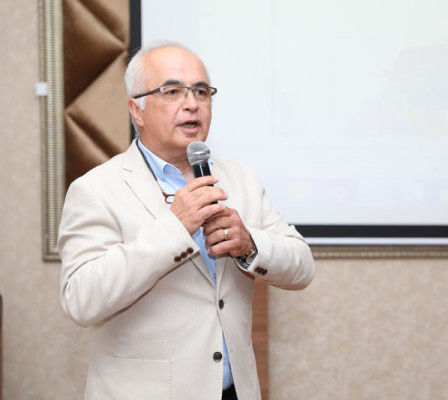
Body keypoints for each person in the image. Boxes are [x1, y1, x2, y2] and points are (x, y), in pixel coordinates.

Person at [57, 41, 315, 400]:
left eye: (201, 91)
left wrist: (250, 244)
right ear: (137, 110)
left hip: (234, 391)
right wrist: (174, 228)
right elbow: (81, 300)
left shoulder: (241, 178)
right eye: (173, 91)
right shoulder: (96, 189)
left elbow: (302, 267)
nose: (192, 103)